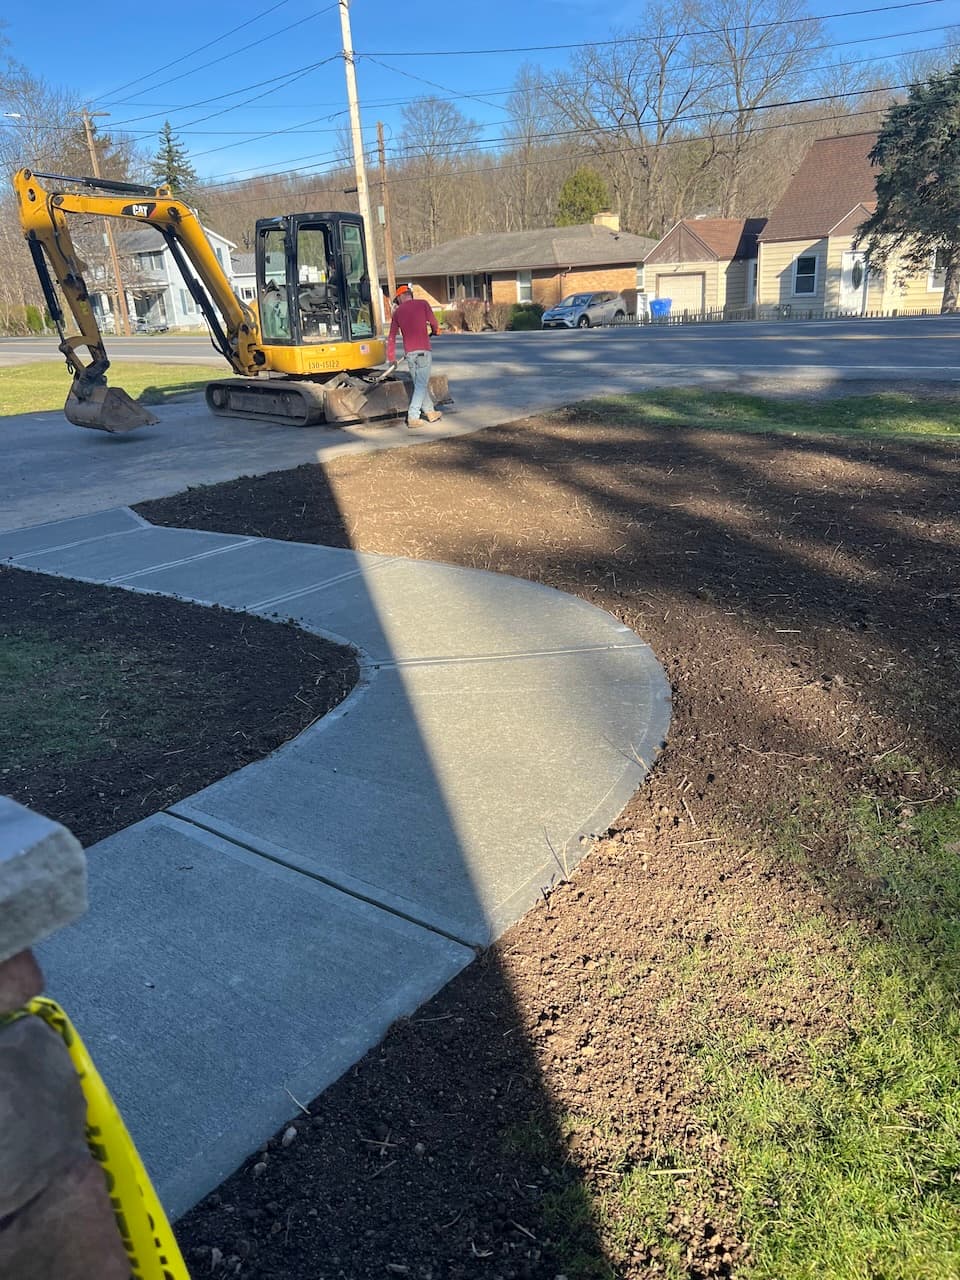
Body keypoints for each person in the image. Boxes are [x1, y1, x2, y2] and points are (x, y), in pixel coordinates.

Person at [385, 284, 442, 427]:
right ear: (410, 294)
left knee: (419, 385)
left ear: (399, 298)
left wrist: (391, 358)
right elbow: (434, 323)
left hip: (410, 354)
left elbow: (391, 337)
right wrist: (436, 331)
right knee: (421, 385)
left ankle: (430, 412)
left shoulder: (397, 313)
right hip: (423, 351)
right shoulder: (423, 304)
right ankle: (413, 416)